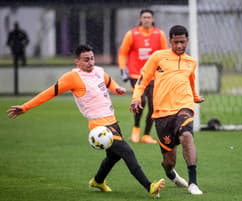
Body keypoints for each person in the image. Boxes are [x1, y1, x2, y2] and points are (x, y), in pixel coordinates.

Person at [6, 44, 165, 198]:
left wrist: (116, 88)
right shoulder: (72, 77)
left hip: (112, 121)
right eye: (86, 60)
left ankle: (97, 181)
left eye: (92, 58)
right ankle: (149, 186)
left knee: (113, 156)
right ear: (77, 61)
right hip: (99, 125)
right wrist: (25, 107)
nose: (90, 63)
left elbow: (108, 81)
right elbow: (49, 93)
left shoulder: (98, 71)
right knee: (127, 151)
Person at [130, 25, 205, 195]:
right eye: (176, 42)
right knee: (169, 160)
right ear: (170, 41)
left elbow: (190, 81)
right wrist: (136, 97)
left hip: (183, 106)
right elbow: (142, 79)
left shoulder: (191, 62)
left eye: (182, 42)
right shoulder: (158, 57)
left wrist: (194, 97)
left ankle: (193, 183)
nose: (179, 46)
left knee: (186, 136)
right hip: (162, 113)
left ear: (187, 41)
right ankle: (169, 172)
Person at [118, 9, 168, 144]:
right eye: (144, 17)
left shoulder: (160, 34)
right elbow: (123, 53)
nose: (146, 19)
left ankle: (146, 135)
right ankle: (136, 129)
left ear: (153, 19)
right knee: (141, 101)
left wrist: (165, 71)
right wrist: (123, 69)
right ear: (140, 19)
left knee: (154, 105)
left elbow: (165, 54)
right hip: (136, 74)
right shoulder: (132, 34)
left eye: (149, 17)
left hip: (154, 75)